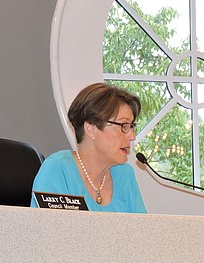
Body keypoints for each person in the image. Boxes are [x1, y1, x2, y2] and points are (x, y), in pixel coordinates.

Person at [31, 82, 147, 213]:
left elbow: (142, 232)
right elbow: (50, 230)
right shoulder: (58, 169)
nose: (132, 136)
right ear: (91, 128)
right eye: (124, 126)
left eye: (131, 126)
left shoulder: (125, 174)